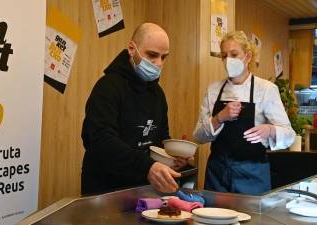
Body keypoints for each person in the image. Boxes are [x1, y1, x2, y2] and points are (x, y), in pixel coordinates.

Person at [81, 23, 190, 195]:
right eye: (152, 55)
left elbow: (160, 139)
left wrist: (174, 157)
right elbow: (101, 141)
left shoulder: (158, 95)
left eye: (164, 57)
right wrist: (147, 167)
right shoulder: (108, 87)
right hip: (106, 190)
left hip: (144, 191)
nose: (158, 63)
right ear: (132, 49)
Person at [193, 31, 295, 195]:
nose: (228, 60)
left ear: (248, 57)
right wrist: (219, 118)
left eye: (234, 54)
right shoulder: (213, 90)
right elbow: (198, 136)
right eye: (224, 56)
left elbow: (289, 135)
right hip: (217, 173)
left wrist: (270, 130)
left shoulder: (266, 89)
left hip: (253, 174)